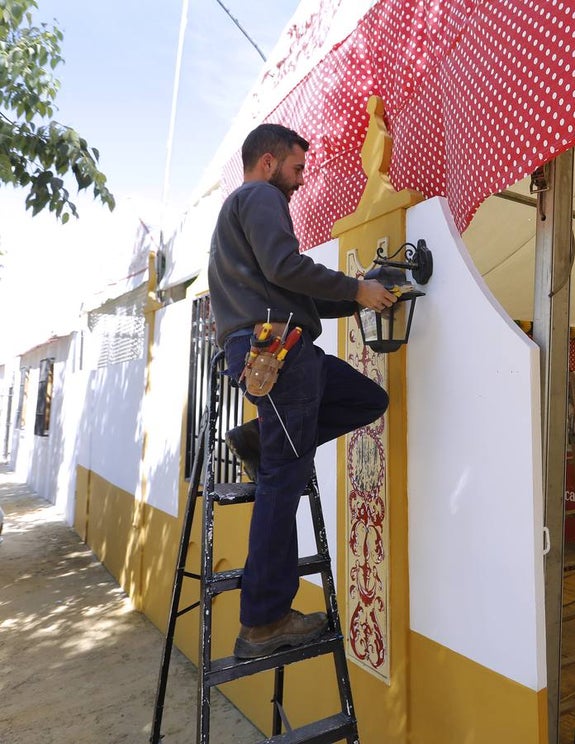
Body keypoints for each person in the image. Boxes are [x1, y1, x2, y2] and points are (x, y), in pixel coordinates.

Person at [207, 123, 397, 659]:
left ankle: (257, 438)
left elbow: (293, 287)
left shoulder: (239, 216)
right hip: (279, 355)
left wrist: (362, 294)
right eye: (296, 168)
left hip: (283, 352)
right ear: (268, 163)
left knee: (368, 399)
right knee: (282, 481)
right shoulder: (260, 196)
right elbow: (286, 266)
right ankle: (263, 621)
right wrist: (357, 287)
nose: (300, 180)